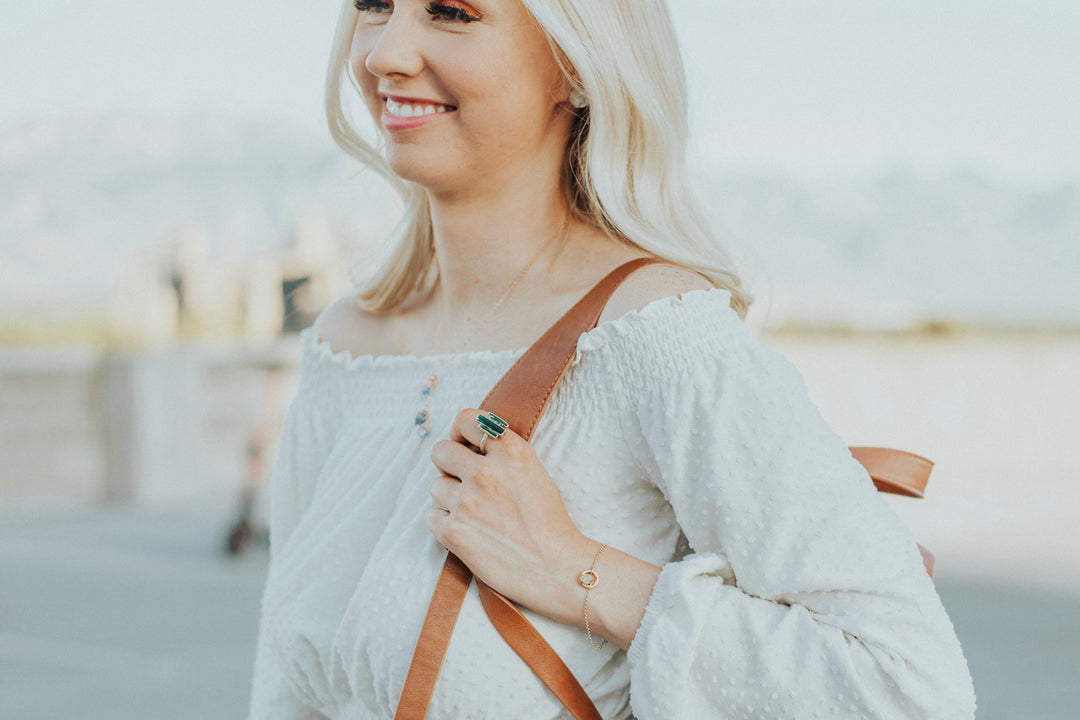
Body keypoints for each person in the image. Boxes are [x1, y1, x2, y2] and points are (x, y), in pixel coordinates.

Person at [248, 1, 976, 718]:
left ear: (576, 64)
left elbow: (909, 686)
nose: (384, 53)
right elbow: (281, 693)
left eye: (451, 12)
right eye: (375, 5)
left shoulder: (657, 337)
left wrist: (573, 571)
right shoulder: (348, 350)